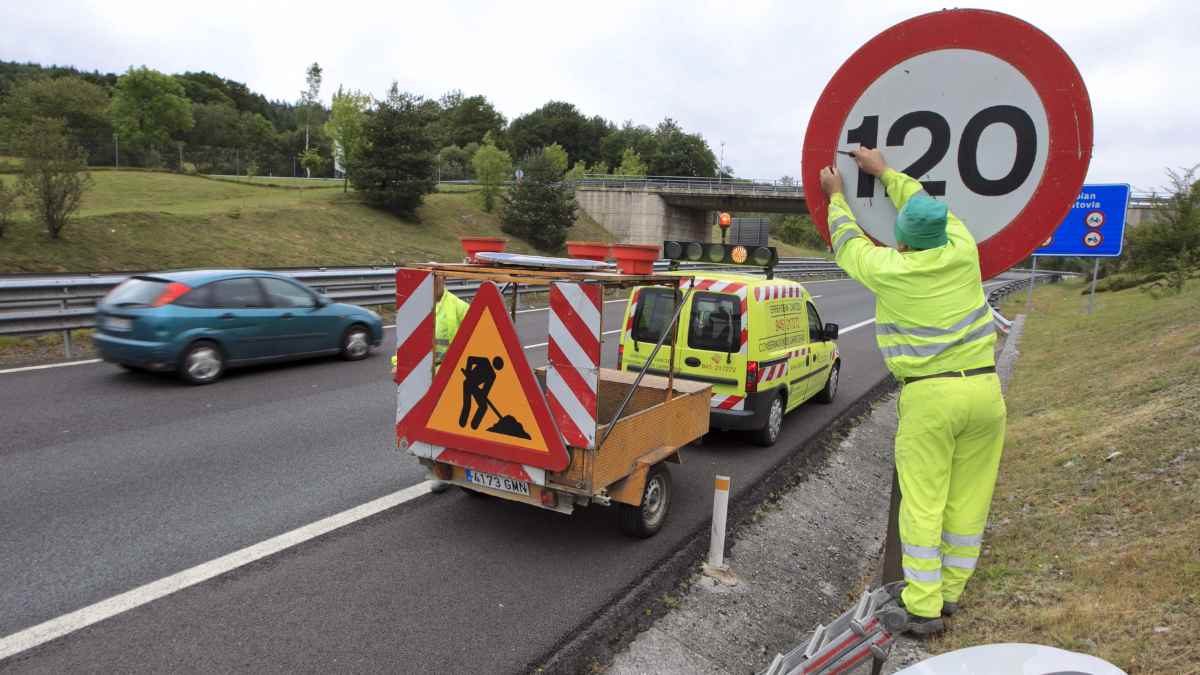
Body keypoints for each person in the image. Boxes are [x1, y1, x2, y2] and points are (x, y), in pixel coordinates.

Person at [819, 148, 1007, 637]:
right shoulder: (963, 248)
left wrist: (837, 196)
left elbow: (846, 243)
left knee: (924, 500)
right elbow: (923, 200)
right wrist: (887, 173)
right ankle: (948, 593)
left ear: (902, 240)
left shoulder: (890, 269)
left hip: (931, 397)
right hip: (986, 391)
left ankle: (921, 605)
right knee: (970, 498)